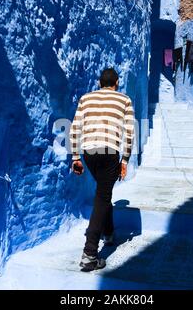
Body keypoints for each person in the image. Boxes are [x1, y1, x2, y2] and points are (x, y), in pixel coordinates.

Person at [69, 68, 135, 272]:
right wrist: (125, 160)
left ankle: (108, 232)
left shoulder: (85, 98)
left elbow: (75, 127)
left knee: (103, 194)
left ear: (99, 83)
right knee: (103, 196)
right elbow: (130, 132)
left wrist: (75, 157)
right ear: (116, 82)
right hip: (109, 153)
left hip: (89, 153)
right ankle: (89, 254)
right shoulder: (124, 100)